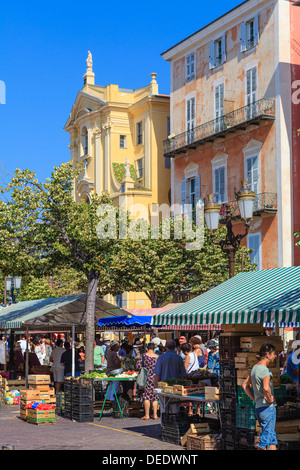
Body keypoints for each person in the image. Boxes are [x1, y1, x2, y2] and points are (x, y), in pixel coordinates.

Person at [242, 343, 278, 451]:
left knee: (271, 438)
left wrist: (254, 398)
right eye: (274, 354)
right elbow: (266, 388)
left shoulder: (255, 368)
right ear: (268, 354)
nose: (275, 356)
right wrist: (270, 397)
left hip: (259, 407)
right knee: (264, 442)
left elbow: (244, 385)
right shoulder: (265, 371)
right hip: (267, 408)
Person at [136, 342, 159, 420]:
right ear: (154, 349)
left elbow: (138, 366)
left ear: (147, 348)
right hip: (156, 378)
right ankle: (155, 415)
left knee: (146, 396)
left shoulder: (143, 356)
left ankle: (147, 415)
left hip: (146, 378)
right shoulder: (158, 357)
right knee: (155, 397)